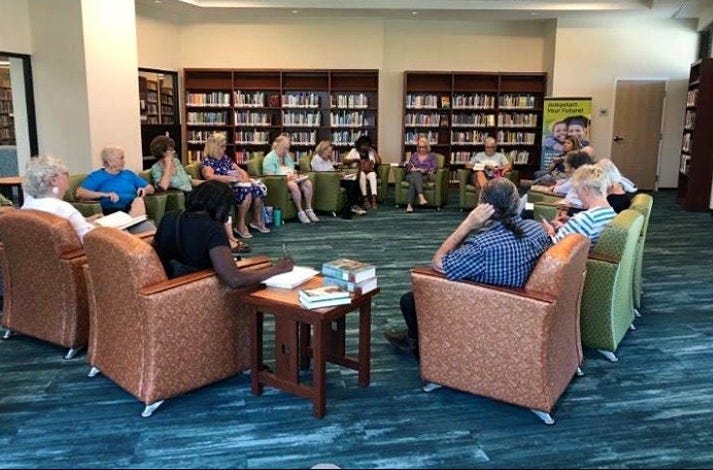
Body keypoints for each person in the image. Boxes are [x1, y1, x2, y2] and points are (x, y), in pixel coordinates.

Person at [384, 178, 552, 357]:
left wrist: (468, 225)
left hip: (484, 306)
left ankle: (417, 345)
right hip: (516, 305)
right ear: (517, 203)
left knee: (409, 300)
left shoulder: (482, 246)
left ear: (481, 206)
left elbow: (438, 263)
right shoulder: (536, 229)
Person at [153, 180, 294, 285]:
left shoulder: (169, 217)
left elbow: (157, 253)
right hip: (199, 287)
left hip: (169, 284)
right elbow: (234, 279)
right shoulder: (212, 229)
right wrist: (277, 269)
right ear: (220, 206)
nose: (227, 215)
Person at [201, 132, 270, 239]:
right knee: (247, 192)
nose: (224, 149)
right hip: (225, 188)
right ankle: (240, 225)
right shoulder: (208, 161)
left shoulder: (225, 158)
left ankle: (257, 221)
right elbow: (209, 177)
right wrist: (229, 178)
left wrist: (244, 179)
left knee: (258, 189)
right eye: (222, 146)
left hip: (237, 184)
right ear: (214, 147)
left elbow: (241, 170)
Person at [75, 145, 156, 233]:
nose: (124, 161)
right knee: (124, 234)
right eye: (121, 158)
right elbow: (80, 193)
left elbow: (150, 188)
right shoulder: (97, 176)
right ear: (110, 161)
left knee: (150, 229)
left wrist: (144, 190)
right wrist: (105, 194)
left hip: (132, 212)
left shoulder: (129, 174)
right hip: (112, 215)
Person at [21, 154, 98, 243]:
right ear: (53, 180)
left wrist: (83, 221)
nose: (68, 178)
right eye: (66, 174)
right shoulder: (62, 208)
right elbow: (91, 240)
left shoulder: (28, 203)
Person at [541, 164, 616, 250]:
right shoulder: (611, 213)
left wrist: (550, 231)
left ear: (586, 190)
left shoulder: (585, 219)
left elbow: (552, 248)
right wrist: (567, 226)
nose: (578, 196)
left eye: (577, 191)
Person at [263, 134, 318, 224]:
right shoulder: (269, 158)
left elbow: (291, 170)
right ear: (277, 146)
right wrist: (286, 178)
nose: (286, 151)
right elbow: (270, 177)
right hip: (280, 183)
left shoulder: (287, 156)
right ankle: (300, 211)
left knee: (307, 183)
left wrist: (297, 175)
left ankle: (309, 209)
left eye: (287, 148)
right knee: (292, 185)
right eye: (284, 148)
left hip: (292, 179)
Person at [310, 140, 365, 219]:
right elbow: (321, 173)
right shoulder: (316, 159)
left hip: (334, 179)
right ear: (322, 150)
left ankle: (352, 204)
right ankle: (351, 205)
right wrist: (336, 175)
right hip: (327, 181)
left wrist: (339, 174)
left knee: (354, 181)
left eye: (330, 152)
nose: (330, 154)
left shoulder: (327, 159)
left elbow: (331, 170)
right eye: (329, 152)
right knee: (351, 184)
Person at [343, 135, 382, 209]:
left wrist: (374, 151)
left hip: (369, 171)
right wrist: (355, 160)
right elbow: (344, 162)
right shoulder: (354, 151)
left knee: (373, 175)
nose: (365, 147)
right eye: (364, 145)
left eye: (367, 145)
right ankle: (365, 199)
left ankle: (374, 199)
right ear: (359, 144)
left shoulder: (370, 152)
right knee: (362, 175)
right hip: (359, 171)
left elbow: (379, 162)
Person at [404, 137, 438, 213]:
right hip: (410, 175)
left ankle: (409, 205)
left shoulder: (432, 156)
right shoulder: (414, 155)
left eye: (423, 147)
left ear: (427, 147)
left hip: (424, 176)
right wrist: (412, 168)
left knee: (413, 180)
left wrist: (424, 170)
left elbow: (435, 167)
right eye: (420, 147)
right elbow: (408, 167)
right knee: (415, 174)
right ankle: (421, 196)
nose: (421, 149)